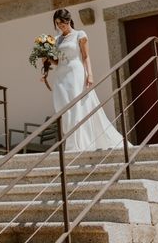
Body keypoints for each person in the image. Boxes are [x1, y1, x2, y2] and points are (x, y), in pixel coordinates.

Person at [43, 9, 125, 151]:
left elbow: (86, 56)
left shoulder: (80, 35)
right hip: (61, 75)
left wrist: (90, 74)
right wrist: (47, 58)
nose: (60, 26)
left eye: (62, 23)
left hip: (76, 73)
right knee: (64, 108)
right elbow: (58, 62)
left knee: (76, 106)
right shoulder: (56, 40)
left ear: (68, 21)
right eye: (57, 24)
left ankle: (78, 143)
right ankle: (71, 141)